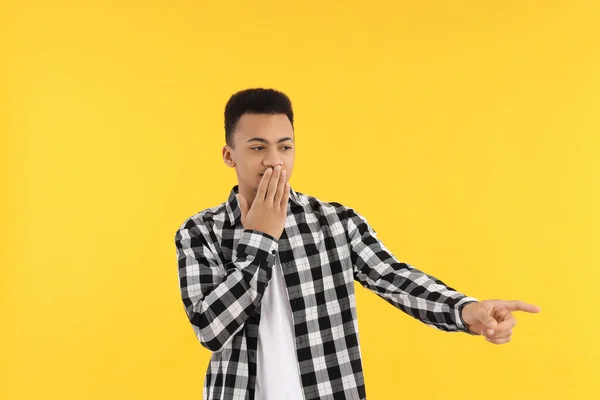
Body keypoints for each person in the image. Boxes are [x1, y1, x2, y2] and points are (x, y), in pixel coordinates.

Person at [174, 88, 541, 400]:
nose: (274, 161)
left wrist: (464, 311)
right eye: (257, 148)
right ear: (229, 155)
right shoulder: (199, 232)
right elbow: (210, 330)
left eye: (284, 147)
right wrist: (261, 238)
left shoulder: (333, 222)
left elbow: (394, 277)